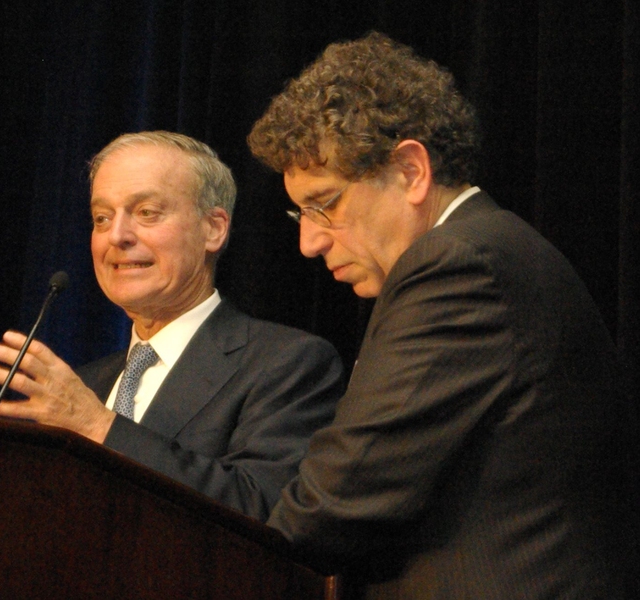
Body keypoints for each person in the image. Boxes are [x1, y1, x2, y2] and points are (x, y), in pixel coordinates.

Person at [247, 32, 634, 597]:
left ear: (410, 171)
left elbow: (335, 499)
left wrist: (221, 563)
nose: (309, 242)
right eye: (299, 213)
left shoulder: (458, 266)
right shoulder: (484, 251)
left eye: (325, 205)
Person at [0, 131, 344, 521]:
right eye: (101, 218)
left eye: (146, 212)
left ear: (213, 229)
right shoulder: (83, 385)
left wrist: (99, 426)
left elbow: (265, 510)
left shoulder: (287, 364)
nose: (117, 236)